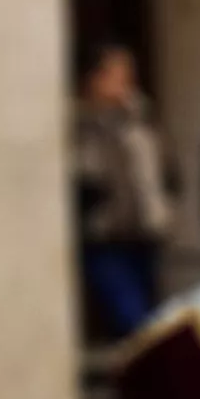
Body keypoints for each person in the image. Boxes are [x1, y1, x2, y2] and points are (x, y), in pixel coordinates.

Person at [69, 44, 172, 343]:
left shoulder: (142, 120)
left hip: (144, 232)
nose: (124, 83)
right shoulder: (82, 123)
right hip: (104, 235)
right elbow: (85, 175)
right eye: (116, 74)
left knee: (147, 314)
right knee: (133, 319)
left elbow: (165, 168)